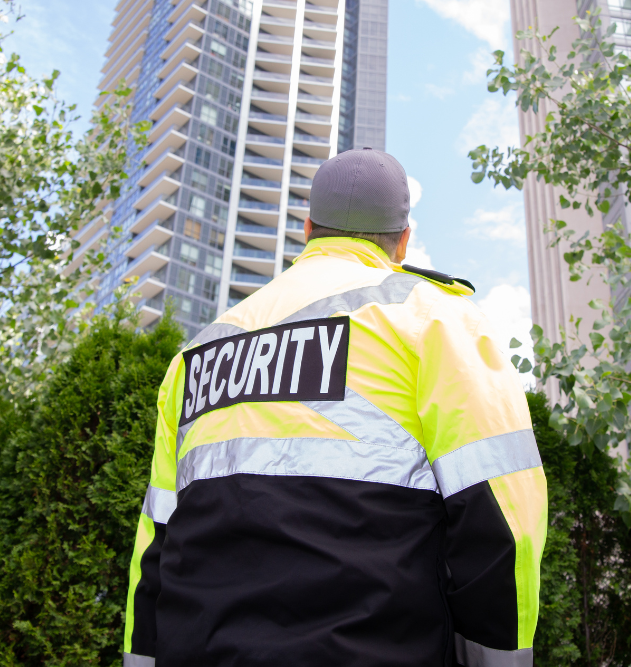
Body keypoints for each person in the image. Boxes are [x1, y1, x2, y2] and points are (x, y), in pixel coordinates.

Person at [123, 148, 547, 667]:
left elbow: (154, 547)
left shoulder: (194, 358)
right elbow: (502, 514)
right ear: (403, 240)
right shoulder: (436, 321)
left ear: (307, 229)